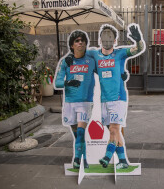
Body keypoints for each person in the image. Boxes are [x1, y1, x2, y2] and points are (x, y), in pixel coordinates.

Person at [89, 24, 145, 169]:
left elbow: (138, 49)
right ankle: (123, 161)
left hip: (118, 98)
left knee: (114, 130)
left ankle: (107, 157)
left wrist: (138, 40)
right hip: (104, 100)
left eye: (110, 37)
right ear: (100, 39)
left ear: (115, 40)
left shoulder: (120, 53)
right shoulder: (95, 54)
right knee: (115, 131)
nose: (107, 39)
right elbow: (80, 55)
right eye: (104, 36)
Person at [54, 30, 96, 169]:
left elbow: (105, 72)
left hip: (85, 102)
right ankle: (83, 159)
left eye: (83, 40)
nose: (81, 43)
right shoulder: (66, 61)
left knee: (81, 131)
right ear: (72, 45)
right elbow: (57, 83)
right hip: (70, 102)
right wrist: (68, 83)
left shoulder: (91, 60)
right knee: (77, 135)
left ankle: (77, 158)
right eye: (77, 41)